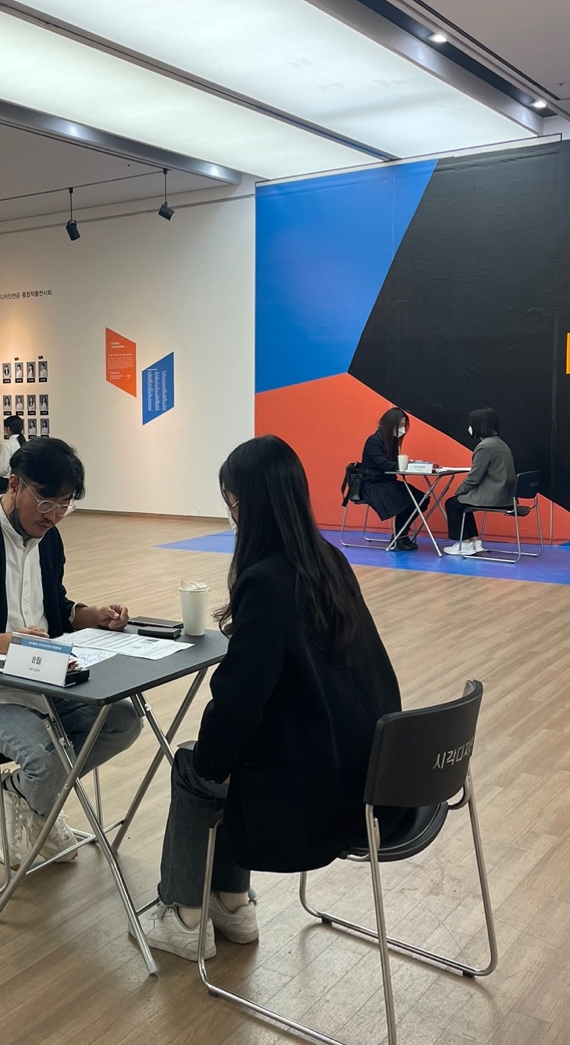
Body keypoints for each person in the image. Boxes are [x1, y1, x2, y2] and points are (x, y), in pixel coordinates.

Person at [143, 435, 412, 961]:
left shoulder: (264, 583)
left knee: (196, 765)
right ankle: (232, 902)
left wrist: (211, 763)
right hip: (373, 775)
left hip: (314, 799)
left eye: (231, 503)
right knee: (229, 754)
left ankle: (184, 916)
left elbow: (238, 701)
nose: (231, 515)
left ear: (248, 505)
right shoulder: (329, 560)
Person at [0, 436, 143, 868]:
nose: (54, 516)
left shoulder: (49, 538)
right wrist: (7, 641)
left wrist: (93, 615)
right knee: (46, 758)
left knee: (123, 721)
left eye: (65, 506)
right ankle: (38, 808)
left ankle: (18, 798)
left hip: (43, 675)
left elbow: (55, 610)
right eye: (46, 502)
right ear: (14, 484)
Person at [444, 407, 517, 557]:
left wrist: (459, 491)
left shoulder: (485, 447)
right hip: (506, 496)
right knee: (463, 502)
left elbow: (474, 477)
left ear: (479, 425)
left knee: (452, 503)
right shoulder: (500, 444)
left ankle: (464, 543)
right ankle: (474, 542)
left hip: (494, 497)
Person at [359, 406, 427, 551]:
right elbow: (384, 464)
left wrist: (408, 464)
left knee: (421, 499)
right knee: (407, 500)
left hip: (387, 481)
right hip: (373, 484)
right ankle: (400, 536)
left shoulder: (392, 441)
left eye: (404, 425)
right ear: (390, 424)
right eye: (400, 425)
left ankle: (401, 534)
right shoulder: (374, 441)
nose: (402, 429)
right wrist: (406, 465)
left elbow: (393, 464)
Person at [0, 414, 25, 495]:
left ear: (8, 429)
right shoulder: (24, 443)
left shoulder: (7, 445)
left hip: (10, 480)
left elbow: (3, 469)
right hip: (23, 481)